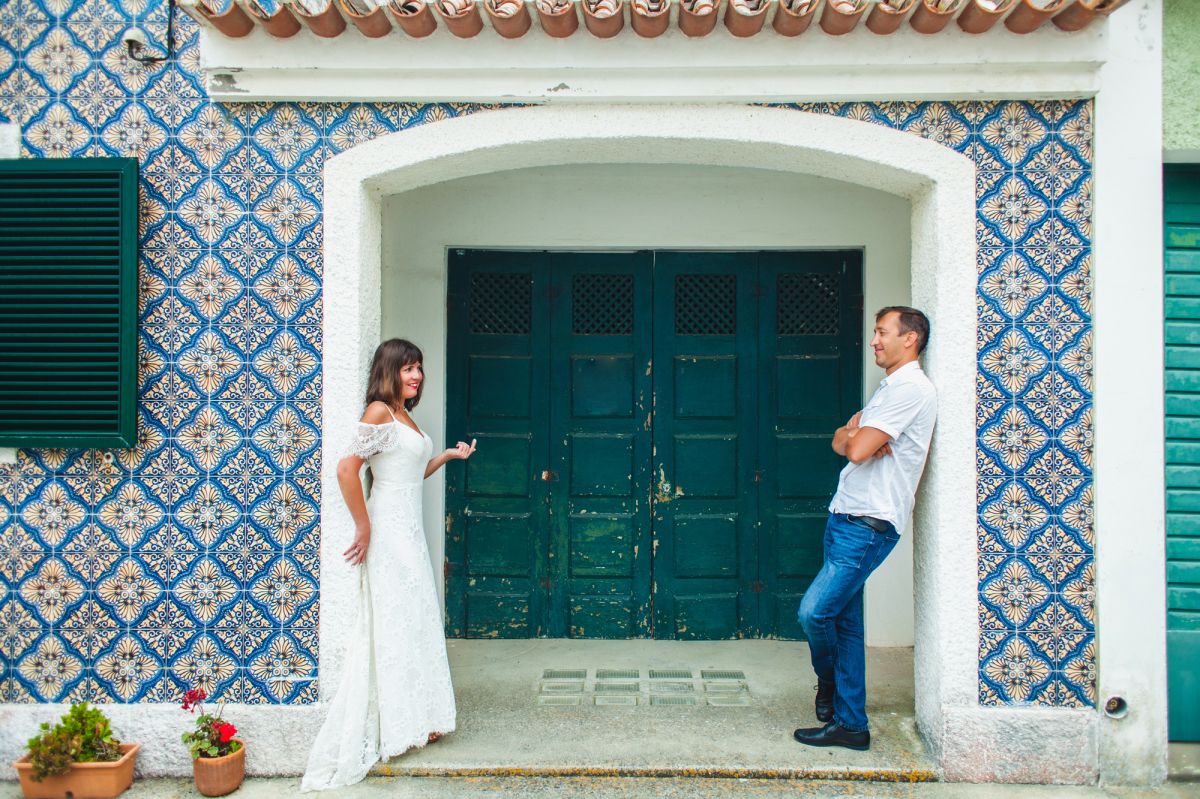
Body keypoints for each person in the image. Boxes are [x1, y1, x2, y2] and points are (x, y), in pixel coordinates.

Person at [302, 339, 476, 791]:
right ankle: (398, 726)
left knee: (415, 618)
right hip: (388, 532)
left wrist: (447, 457)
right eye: (408, 368)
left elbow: (409, 472)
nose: (416, 376)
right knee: (397, 623)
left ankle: (422, 716)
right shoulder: (379, 410)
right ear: (389, 371)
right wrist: (363, 528)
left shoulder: (404, 416)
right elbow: (347, 469)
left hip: (409, 533)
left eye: (419, 368)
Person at [793, 307, 937, 752]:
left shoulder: (910, 389)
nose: (874, 341)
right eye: (875, 332)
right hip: (846, 516)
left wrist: (855, 439)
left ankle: (829, 684)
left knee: (814, 612)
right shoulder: (889, 388)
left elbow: (855, 450)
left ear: (909, 339)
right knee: (847, 626)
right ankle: (851, 725)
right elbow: (845, 440)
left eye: (882, 333)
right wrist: (851, 437)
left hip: (868, 524)